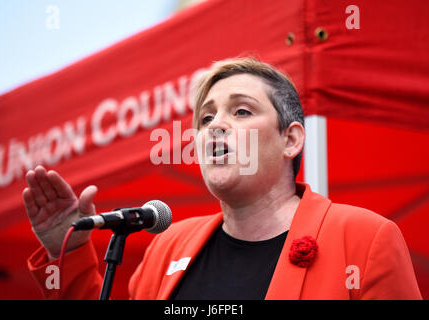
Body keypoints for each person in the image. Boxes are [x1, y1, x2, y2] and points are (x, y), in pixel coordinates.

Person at [24, 57, 422, 299]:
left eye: (242, 112)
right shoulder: (166, 248)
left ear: (291, 139)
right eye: (206, 118)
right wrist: (69, 252)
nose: (216, 127)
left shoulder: (365, 239)